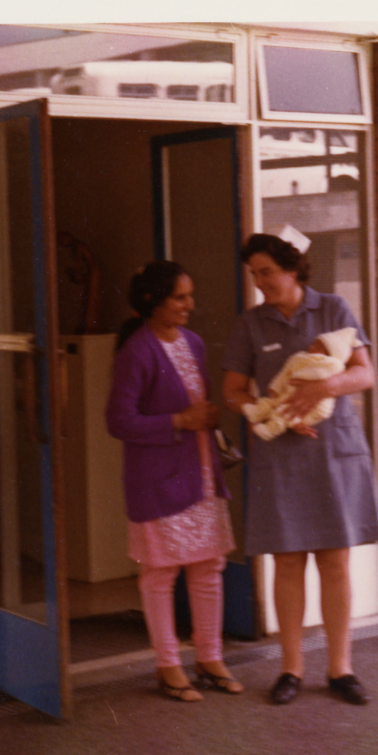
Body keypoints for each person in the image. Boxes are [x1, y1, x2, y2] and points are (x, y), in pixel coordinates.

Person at [222, 230, 378, 706]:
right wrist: (267, 412)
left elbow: (365, 373)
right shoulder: (250, 324)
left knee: (334, 560)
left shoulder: (333, 309)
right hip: (281, 455)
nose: (260, 283)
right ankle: (290, 668)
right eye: (254, 274)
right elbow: (233, 390)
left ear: (291, 268)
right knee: (288, 561)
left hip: (333, 451)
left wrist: (323, 389)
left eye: (267, 272)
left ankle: (341, 669)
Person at [105, 261, 245, 702]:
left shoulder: (195, 344)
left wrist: (202, 417)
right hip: (158, 481)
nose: (190, 305)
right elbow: (118, 420)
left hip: (201, 473)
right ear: (153, 301)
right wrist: (182, 419)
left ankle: (209, 657)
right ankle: (168, 665)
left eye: (190, 296)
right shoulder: (138, 351)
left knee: (208, 568)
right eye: (180, 297)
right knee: (160, 573)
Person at [241, 327, 358, 440]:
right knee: (273, 401)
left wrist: (318, 386)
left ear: (331, 354)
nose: (312, 347)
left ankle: (270, 429)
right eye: (314, 344)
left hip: (317, 405)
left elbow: (322, 375)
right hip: (290, 390)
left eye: (318, 347)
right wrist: (275, 387)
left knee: (285, 413)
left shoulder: (333, 365)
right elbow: (285, 373)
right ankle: (259, 411)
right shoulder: (299, 358)